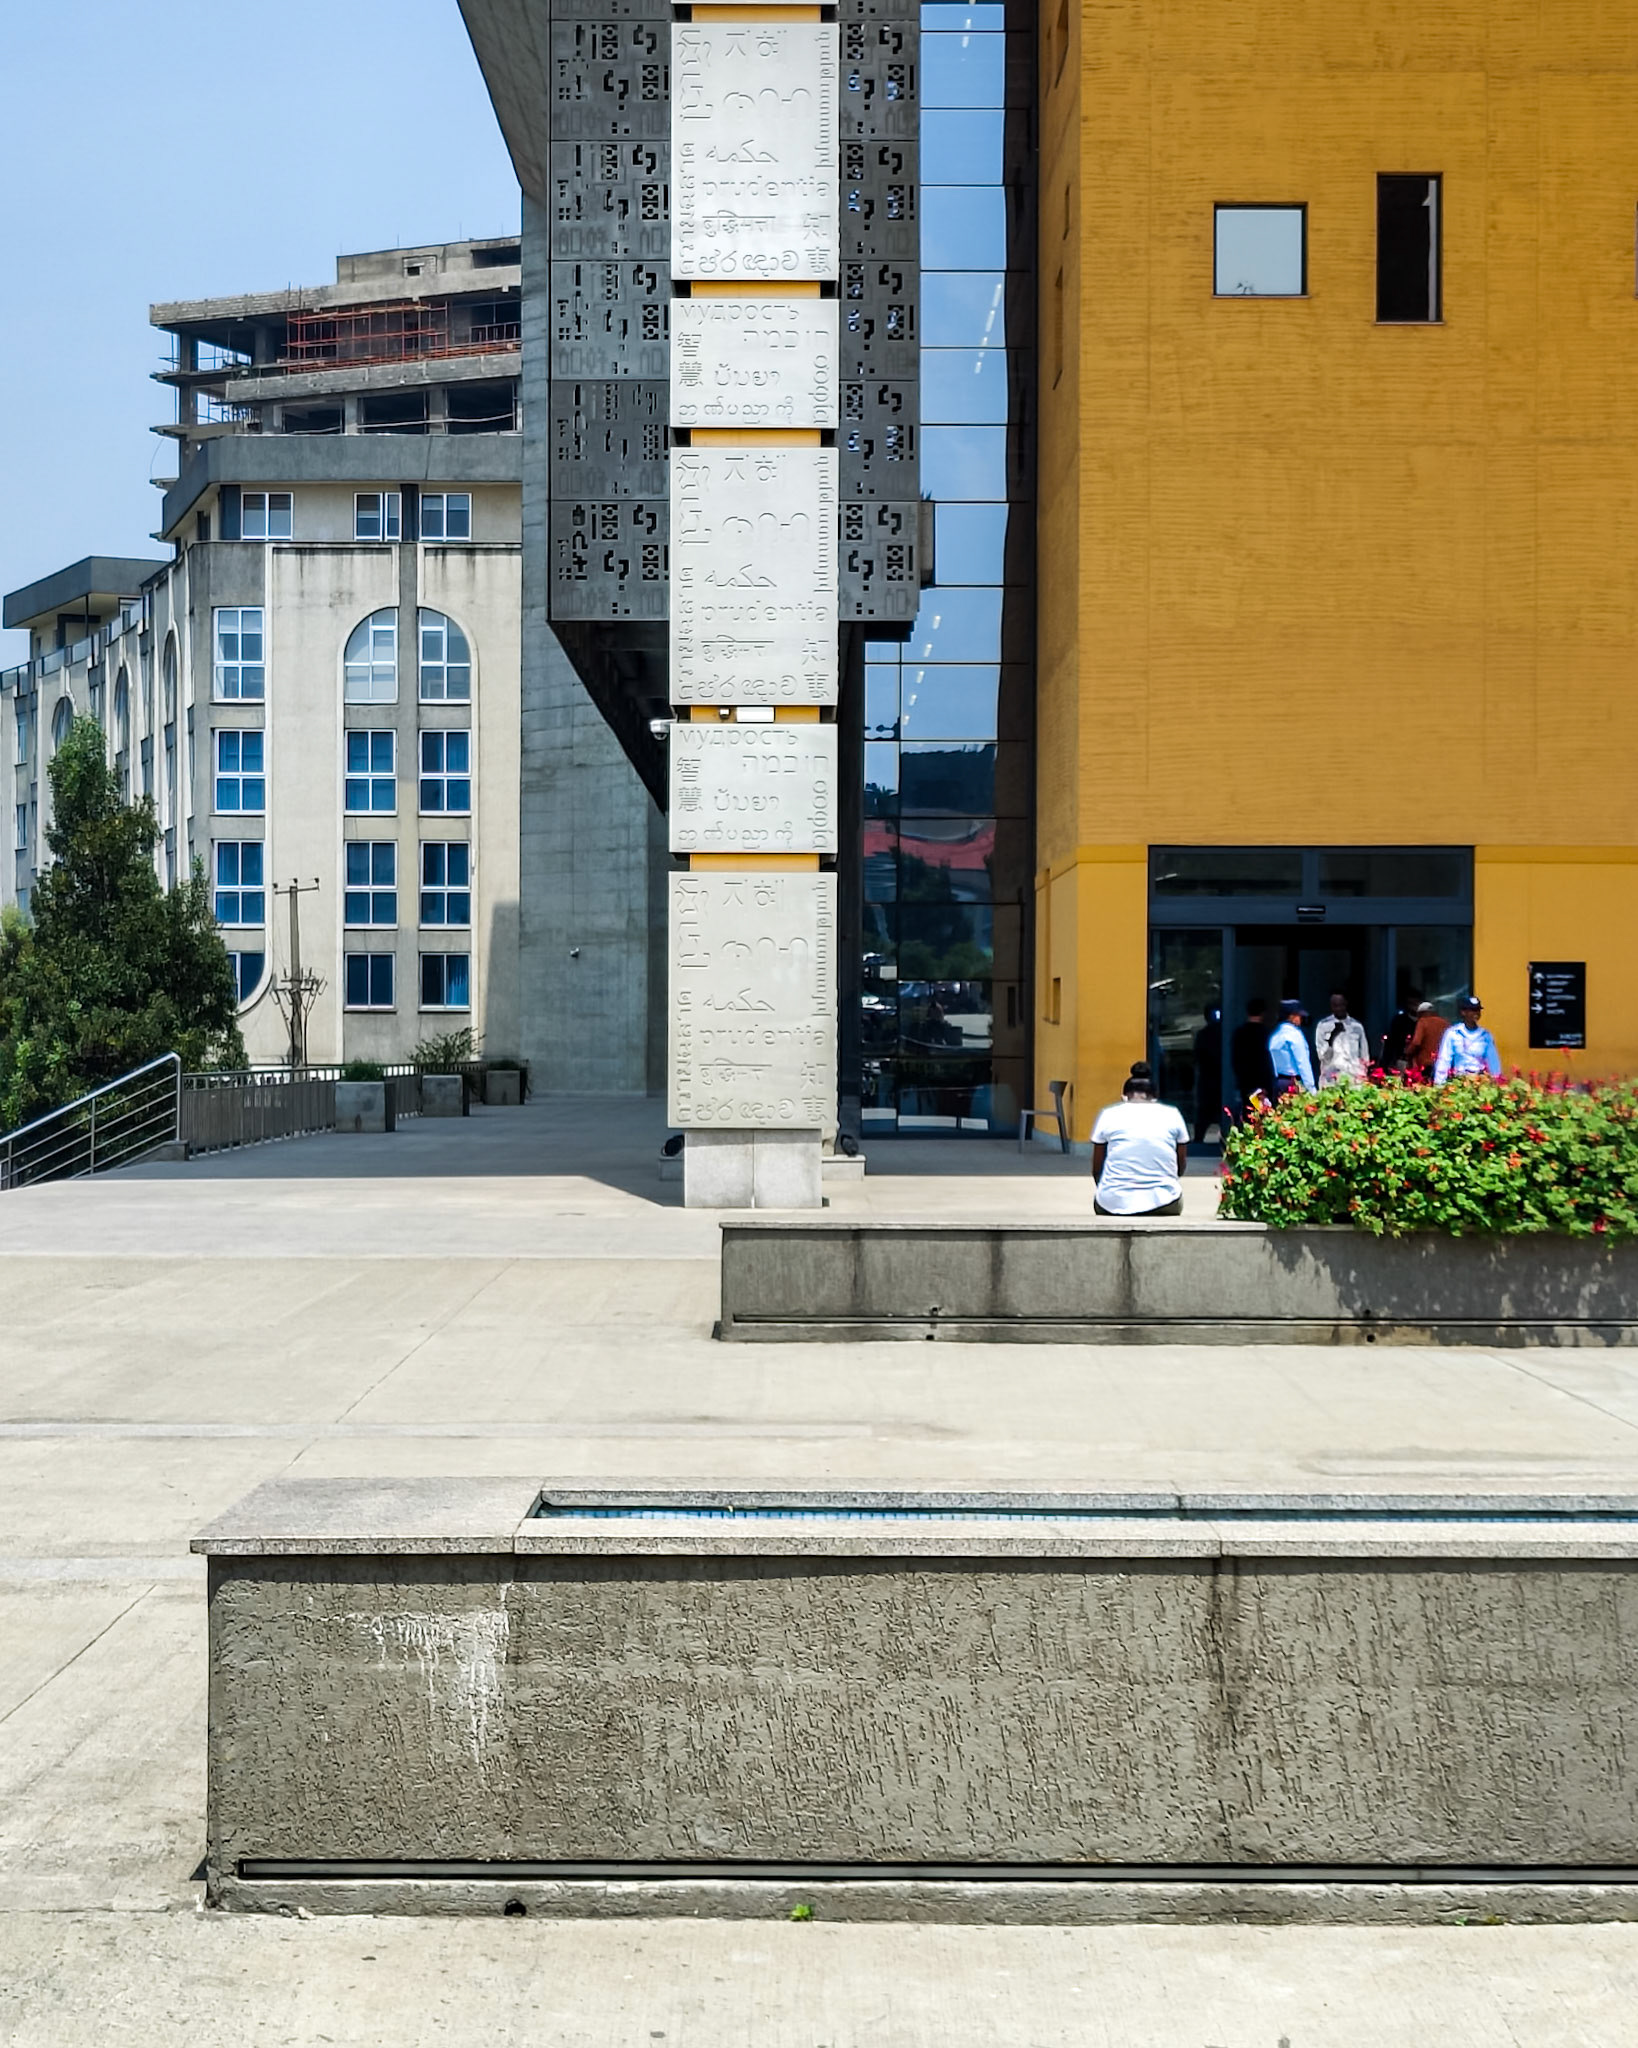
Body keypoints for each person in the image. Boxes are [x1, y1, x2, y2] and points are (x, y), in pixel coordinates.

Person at [1091, 1063, 1190, 1218]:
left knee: (1102, 1197)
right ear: (1155, 1098)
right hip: (1165, 1203)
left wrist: (1110, 1189)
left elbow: (1097, 1168)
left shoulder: (1108, 1114)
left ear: (1124, 1097)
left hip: (1111, 1204)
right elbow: (1180, 1164)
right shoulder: (1173, 1114)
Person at [1433, 995, 1502, 1083]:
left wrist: (1497, 1082)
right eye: (1472, 1010)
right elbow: (1444, 1059)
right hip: (1459, 1080)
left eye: (1478, 1010)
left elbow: (1493, 1062)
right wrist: (1439, 1084)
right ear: (1463, 1012)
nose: (1476, 1013)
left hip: (1479, 1080)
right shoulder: (1453, 1033)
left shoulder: (1485, 1036)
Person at [1229, 996, 1276, 1113]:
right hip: (1262, 1083)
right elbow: (1267, 1061)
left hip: (1244, 1082)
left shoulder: (1239, 1033)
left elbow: (1235, 1059)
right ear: (1263, 1013)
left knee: (1246, 1114)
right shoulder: (1265, 1034)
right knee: (1262, 1115)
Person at [1315, 991, 1370, 1088]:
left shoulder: (1356, 1026)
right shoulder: (1323, 1026)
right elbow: (1322, 1056)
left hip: (1354, 1078)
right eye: (1335, 1005)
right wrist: (1331, 1038)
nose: (1338, 1008)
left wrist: (1363, 1073)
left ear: (1346, 1004)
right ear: (1331, 1006)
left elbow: (1364, 1054)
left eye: (1341, 1005)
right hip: (1331, 1080)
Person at [1268, 998, 1316, 1097]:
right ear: (1291, 1016)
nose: (1301, 1018)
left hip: (1279, 1083)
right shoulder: (1294, 1035)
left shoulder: (1275, 1036)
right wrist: (1311, 1088)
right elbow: (1302, 1062)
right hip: (1293, 1083)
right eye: (1299, 1015)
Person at [1192, 1005, 1223, 1145]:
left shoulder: (1204, 1034)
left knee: (1205, 1112)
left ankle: (1199, 1139)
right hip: (1212, 1077)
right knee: (1206, 1111)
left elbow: (1197, 1056)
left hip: (1210, 1078)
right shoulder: (1210, 1034)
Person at [1404, 1000, 1448, 1080]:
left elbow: (1416, 1042)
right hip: (1442, 1063)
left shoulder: (1423, 1022)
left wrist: (1408, 1052)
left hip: (1426, 1063)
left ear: (1422, 1013)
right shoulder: (1445, 1023)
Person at [1382, 987, 1421, 1072]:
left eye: (1416, 1003)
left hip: (1421, 1060)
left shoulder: (1425, 1021)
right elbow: (1392, 1043)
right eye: (1411, 1004)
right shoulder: (1399, 1021)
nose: (1414, 1007)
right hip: (1403, 1060)